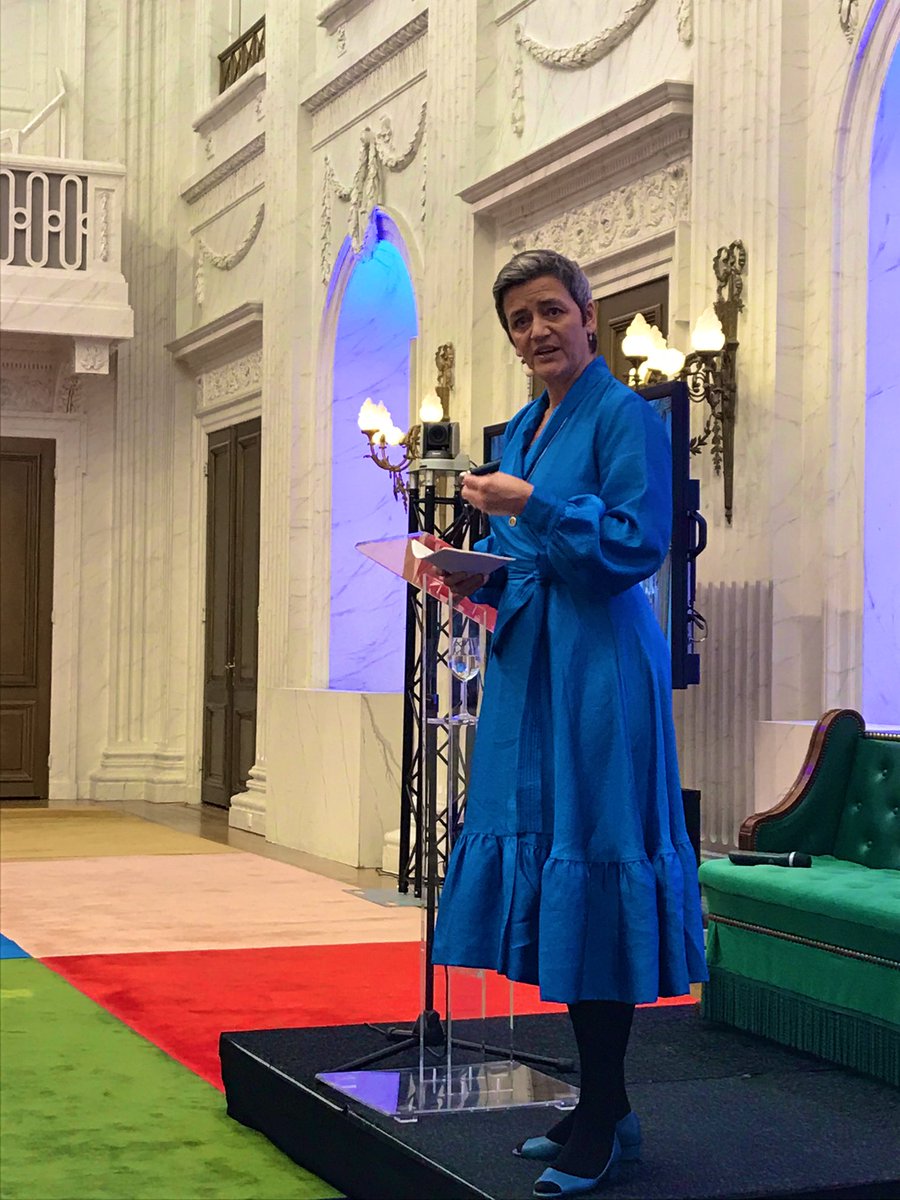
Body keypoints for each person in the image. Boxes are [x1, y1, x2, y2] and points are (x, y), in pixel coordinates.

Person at [430, 249, 708, 1198]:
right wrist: (461, 573)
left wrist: (536, 505)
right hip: (531, 662)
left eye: (551, 310)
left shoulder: (626, 415)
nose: (537, 330)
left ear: (589, 316)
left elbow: (637, 544)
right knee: (555, 861)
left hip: (599, 665)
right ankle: (605, 1108)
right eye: (520, 320)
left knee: (594, 851)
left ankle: (605, 1111)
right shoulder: (522, 429)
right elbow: (517, 552)